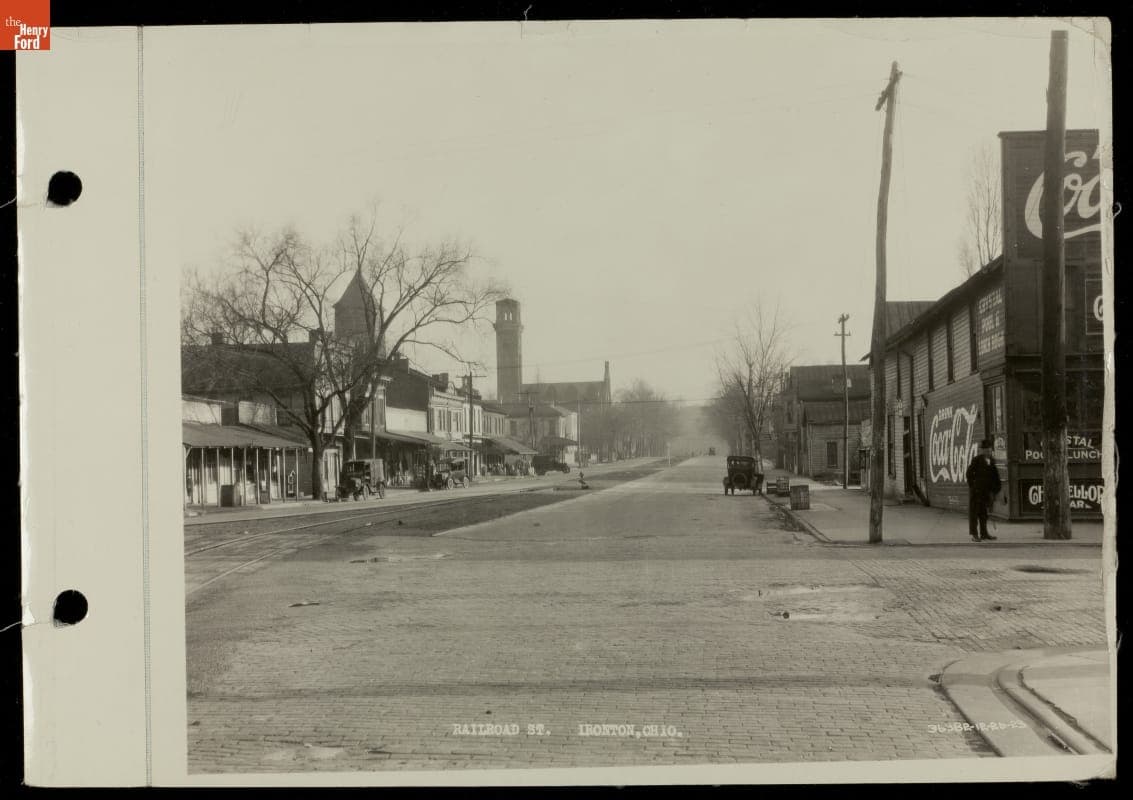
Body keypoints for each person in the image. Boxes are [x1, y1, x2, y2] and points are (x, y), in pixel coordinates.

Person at [965, 438, 1001, 542]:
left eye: (989, 450)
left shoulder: (991, 461)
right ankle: (974, 534)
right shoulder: (976, 460)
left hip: (986, 492)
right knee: (974, 513)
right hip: (976, 492)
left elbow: (995, 476)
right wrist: (973, 486)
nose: (988, 452)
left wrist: (996, 489)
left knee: (984, 514)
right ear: (982, 450)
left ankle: (984, 533)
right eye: (986, 450)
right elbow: (969, 474)